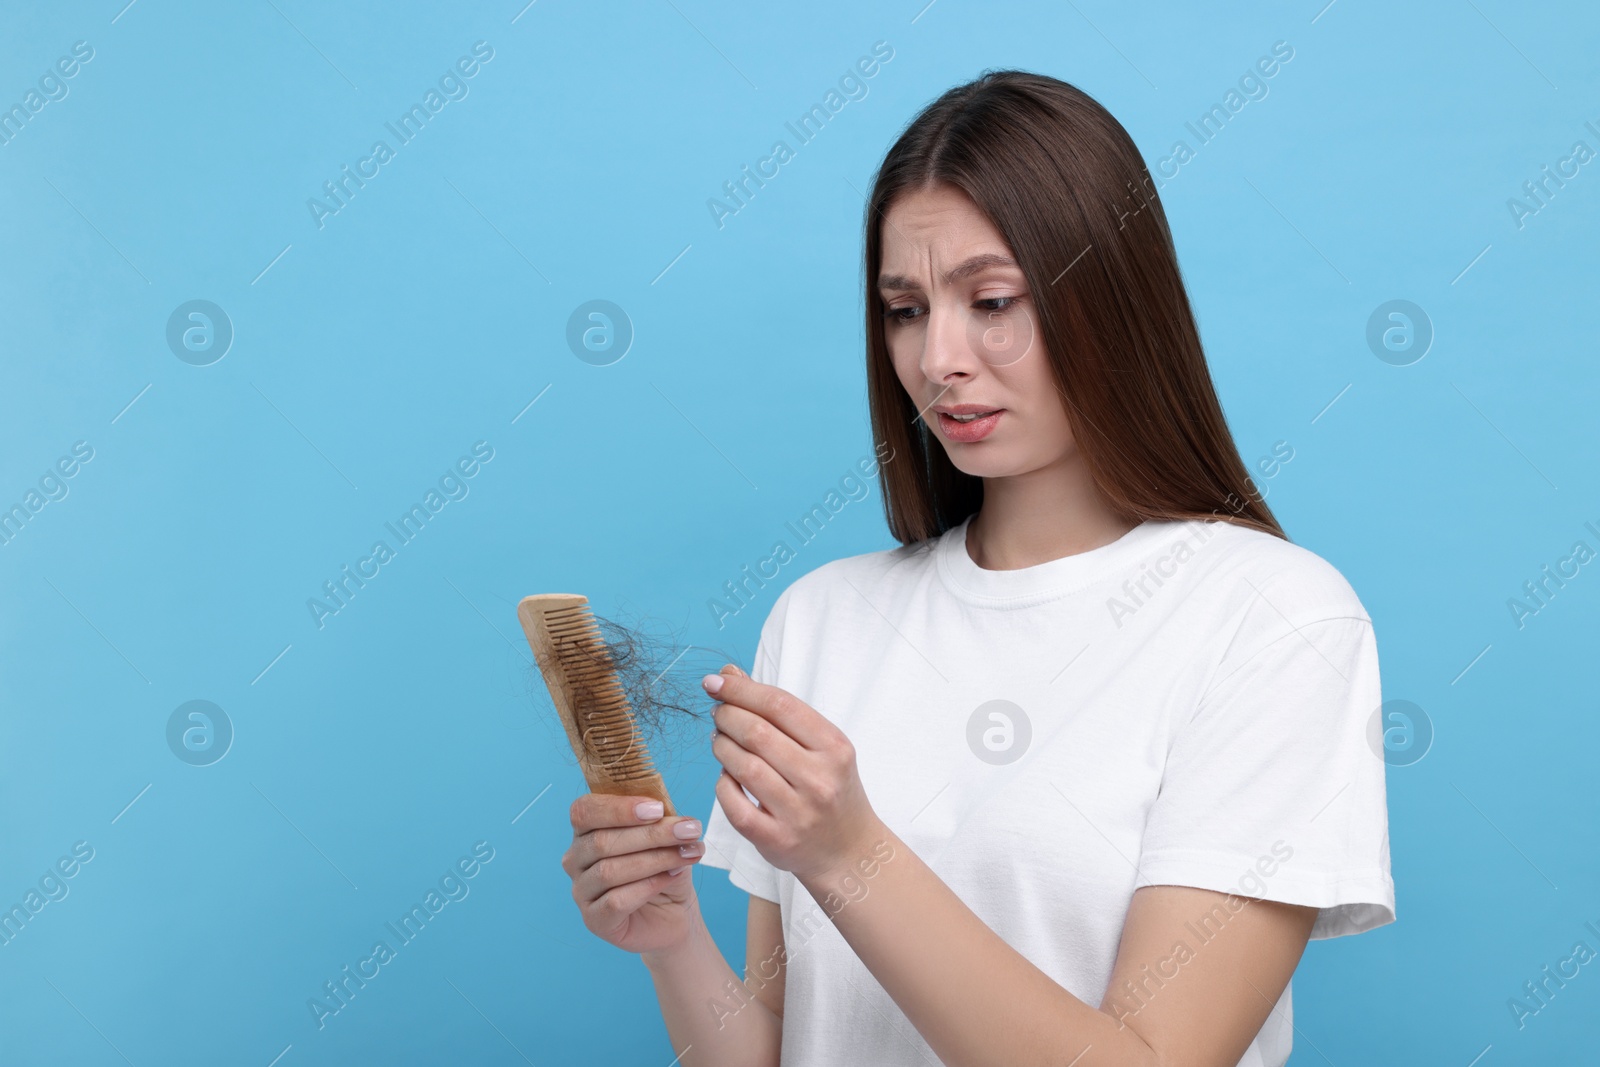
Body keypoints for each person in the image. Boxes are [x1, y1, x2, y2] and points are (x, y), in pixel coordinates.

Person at [560, 69, 1394, 1067]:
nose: (937, 357)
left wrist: (851, 853)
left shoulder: (1271, 617)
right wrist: (670, 939)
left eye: (990, 299)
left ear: (1109, 297)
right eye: (904, 309)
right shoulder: (823, 617)